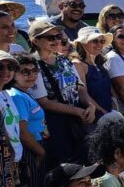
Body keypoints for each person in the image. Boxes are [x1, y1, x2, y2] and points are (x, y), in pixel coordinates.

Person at [29, 18, 95, 166]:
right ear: (35, 41)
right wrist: (78, 111)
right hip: (55, 124)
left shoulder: (64, 60)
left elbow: (80, 87)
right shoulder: (33, 65)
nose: (56, 40)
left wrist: (90, 106)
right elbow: (43, 101)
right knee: (64, 165)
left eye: (58, 37)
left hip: (75, 119)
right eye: (50, 37)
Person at [11, 54, 48, 187]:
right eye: (25, 71)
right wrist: (41, 152)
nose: (31, 75)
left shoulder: (25, 93)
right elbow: (23, 132)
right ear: (14, 74)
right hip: (30, 152)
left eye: (34, 71)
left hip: (36, 147)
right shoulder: (16, 96)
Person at [72, 26, 115, 117]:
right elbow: (83, 94)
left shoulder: (99, 63)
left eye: (102, 41)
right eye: (94, 41)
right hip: (93, 117)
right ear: (82, 43)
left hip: (108, 113)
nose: (99, 45)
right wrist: (103, 112)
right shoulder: (77, 64)